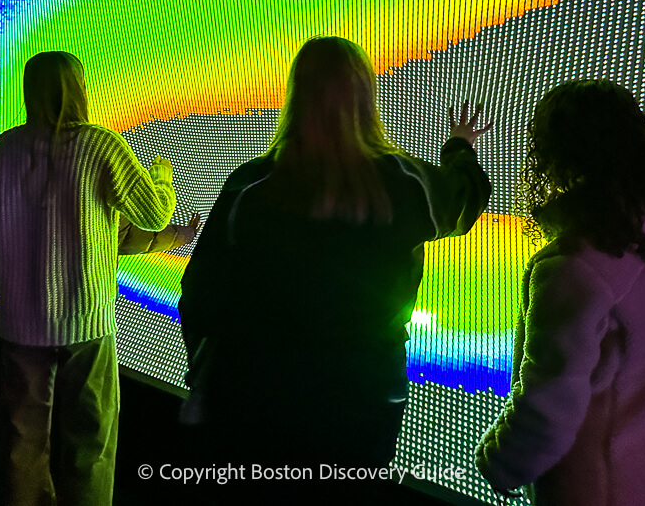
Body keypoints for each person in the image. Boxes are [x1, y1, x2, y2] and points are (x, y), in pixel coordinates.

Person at [178, 36, 492, 480]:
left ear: (295, 93)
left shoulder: (250, 187)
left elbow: (200, 294)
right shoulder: (404, 183)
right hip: (364, 397)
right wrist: (460, 147)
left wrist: (207, 373)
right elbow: (465, 200)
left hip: (256, 396)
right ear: (364, 95)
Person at [0, 51, 189, 506]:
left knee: (21, 441)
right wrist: (163, 176)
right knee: (89, 440)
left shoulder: (7, 145)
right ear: (79, 89)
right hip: (85, 322)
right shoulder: (101, 145)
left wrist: (4, 290)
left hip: (19, 322)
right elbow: (153, 214)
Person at [475, 79, 645, 505]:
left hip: (594, 491)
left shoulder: (574, 266)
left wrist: (500, 463)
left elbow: (548, 406)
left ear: (555, 155)